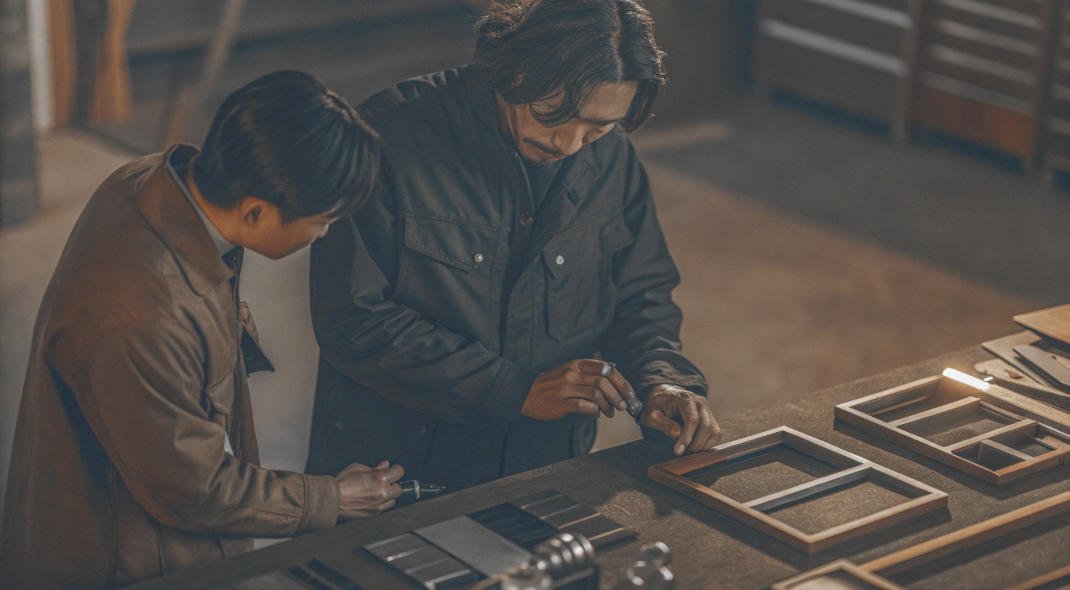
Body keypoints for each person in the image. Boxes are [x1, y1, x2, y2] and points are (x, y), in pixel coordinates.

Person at [0, 71, 404, 590]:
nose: (323, 234)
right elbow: (192, 489)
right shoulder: (144, 314)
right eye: (322, 221)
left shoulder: (148, 181)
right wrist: (331, 498)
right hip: (129, 563)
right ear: (256, 211)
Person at [306, 0, 720, 492]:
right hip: (398, 472)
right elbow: (352, 319)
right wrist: (509, 389)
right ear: (515, 67)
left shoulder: (611, 159)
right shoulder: (388, 138)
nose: (569, 144)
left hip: (544, 462)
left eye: (598, 127)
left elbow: (641, 294)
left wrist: (661, 379)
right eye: (555, 115)